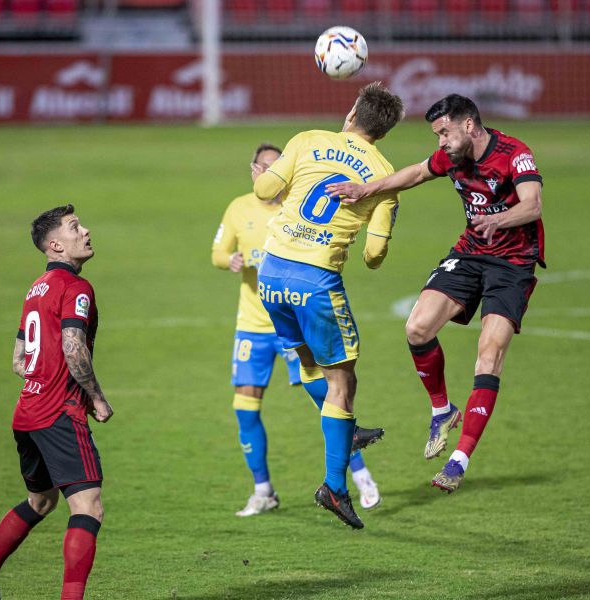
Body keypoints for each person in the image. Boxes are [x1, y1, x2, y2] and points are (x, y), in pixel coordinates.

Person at [326, 94, 544, 494]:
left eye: (444, 132)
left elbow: (532, 205)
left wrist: (499, 218)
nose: (441, 142)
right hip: (471, 252)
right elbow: (414, 174)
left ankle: (459, 459)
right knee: (417, 327)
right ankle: (442, 410)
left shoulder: (515, 154)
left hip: (512, 265)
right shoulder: (452, 158)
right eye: (437, 134)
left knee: (489, 354)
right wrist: (365, 189)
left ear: (469, 125)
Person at [252, 82, 404, 529]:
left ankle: (345, 431)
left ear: (353, 111)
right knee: (344, 383)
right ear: (386, 128)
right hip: (315, 279)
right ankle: (335, 488)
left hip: (272, 271)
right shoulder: (383, 176)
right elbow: (374, 258)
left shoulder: (307, 140)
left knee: (306, 360)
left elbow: (263, 190)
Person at [212, 143, 382, 517]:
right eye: (266, 167)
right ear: (255, 170)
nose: (274, 174)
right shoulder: (240, 208)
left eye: (280, 167)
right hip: (254, 325)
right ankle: (263, 491)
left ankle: (360, 476)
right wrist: (231, 261)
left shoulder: (298, 206)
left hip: (293, 316)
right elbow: (217, 252)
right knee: (244, 407)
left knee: (326, 401)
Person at [0, 205, 113, 599]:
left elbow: (18, 359)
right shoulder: (76, 288)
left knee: (41, 501)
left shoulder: (37, 287)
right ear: (56, 244)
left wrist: (43, 375)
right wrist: (95, 397)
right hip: (58, 413)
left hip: (27, 411)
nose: (86, 231)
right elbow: (73, 346)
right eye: (76, 227)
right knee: (88, 507)